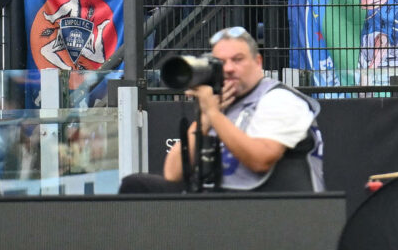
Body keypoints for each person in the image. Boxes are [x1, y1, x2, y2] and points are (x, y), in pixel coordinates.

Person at [135, 26, 323, 192]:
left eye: (238, 59)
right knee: (138, 184)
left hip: (279, 208)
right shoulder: (221, 103)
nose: (229, 68)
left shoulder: (279, 99)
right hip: (226, 206)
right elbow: (172, 174)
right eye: (221, 62)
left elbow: (260, 160)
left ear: (258, 62)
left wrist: (215, 115)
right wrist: (205, 119)